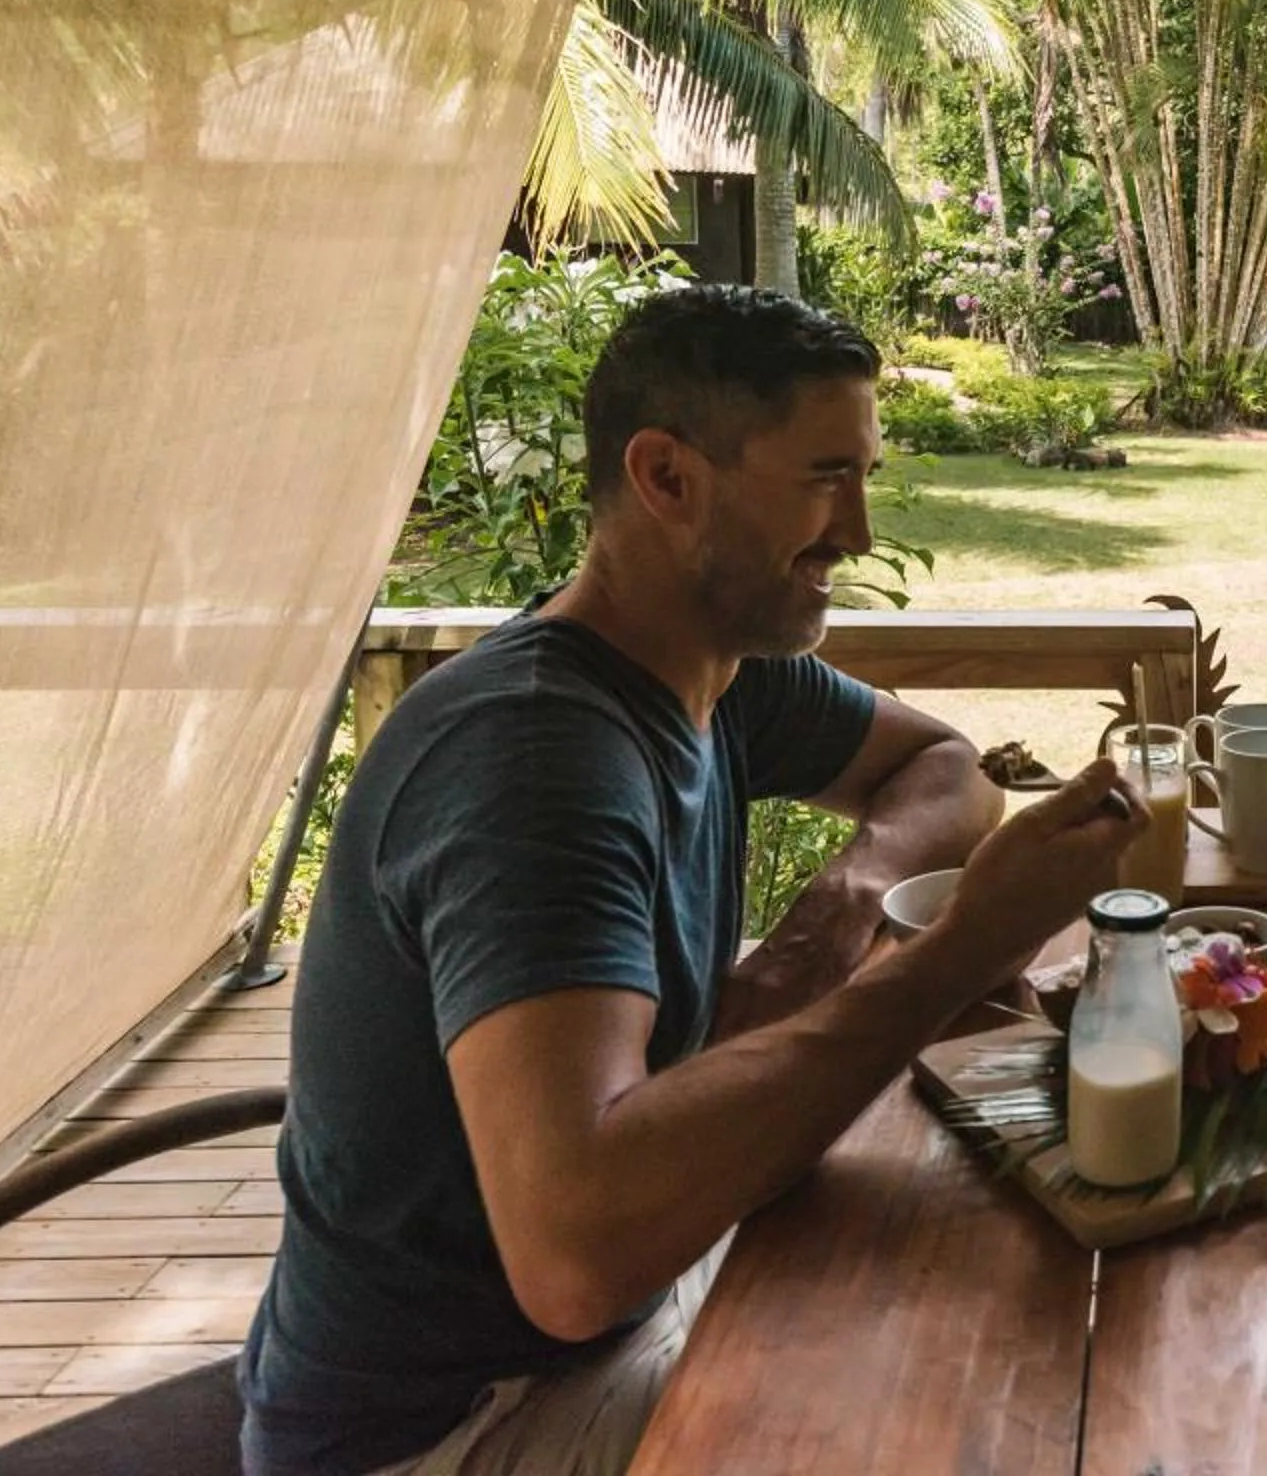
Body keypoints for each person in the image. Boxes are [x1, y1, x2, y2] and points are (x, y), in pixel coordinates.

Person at [239, 287, 1144, 1476]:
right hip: (458, 1423)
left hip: (621, 1314)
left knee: (996, 1324)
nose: (860, 530)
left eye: (865, 475)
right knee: (987, 1411)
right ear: (668, 477)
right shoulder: (534, 761)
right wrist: (957, 950)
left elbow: (949, 769)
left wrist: (829, 924)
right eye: (825, 478)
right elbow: (575, 1256)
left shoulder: (714, 668)